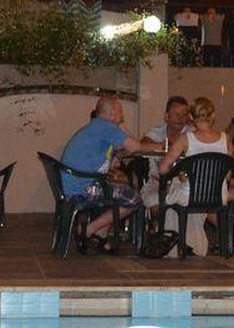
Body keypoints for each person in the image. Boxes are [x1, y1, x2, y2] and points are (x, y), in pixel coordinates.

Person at [59, 95, 163, 251]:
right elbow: (136, 147)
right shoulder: (106, 127)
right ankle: (88, 230)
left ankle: (100, 235)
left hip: (74, 184)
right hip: (82, 187)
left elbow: (121, 151)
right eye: (120, 111)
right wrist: (161, 147)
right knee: (135, 199)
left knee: (118, 189)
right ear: (112, 112)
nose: (122, 115)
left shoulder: (95, 126)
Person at [157, 96, 230, 256]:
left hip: (190, 195)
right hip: (218, 195)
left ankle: (176, 245)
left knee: (172, 193)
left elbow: (163, 169)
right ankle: (194, 244)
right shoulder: (226, 139)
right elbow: (228, 173)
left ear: (191, 117)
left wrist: (180, 173)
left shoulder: (186, 139)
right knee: (180, 188)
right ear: (213, 116)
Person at [141, 96, 192, 209]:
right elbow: (142, 145)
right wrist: (164, 146)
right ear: (166, 116)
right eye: (176, 114)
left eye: (184, 114)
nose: (180, 118)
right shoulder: (157, 131)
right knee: (156, 206)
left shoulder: (191, 133)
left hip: (183, 184)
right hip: (157, 184)